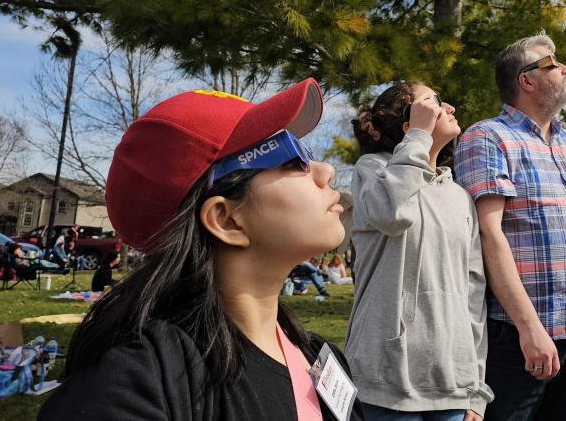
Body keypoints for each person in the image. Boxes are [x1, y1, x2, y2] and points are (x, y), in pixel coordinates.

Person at [39, 79, 364, 420]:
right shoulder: (134, 384)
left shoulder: (318, 358)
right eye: (293, 159)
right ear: (226, 220)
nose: (326, 171)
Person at [455, 34, 566, 421]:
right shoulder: (487, 137)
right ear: (526, 79)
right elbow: (490, 234)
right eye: (553, 63)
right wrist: (530, 328)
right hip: (518, 341)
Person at [348, 82, 493, 420]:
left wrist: (476, 389)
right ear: (408, 122)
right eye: (435, 101)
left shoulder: (459, 196)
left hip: (452, 385)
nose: (451, 107)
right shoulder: (373, 171)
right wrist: (417, 136)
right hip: (386, 380)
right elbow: (390, 213)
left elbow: (474, 295)